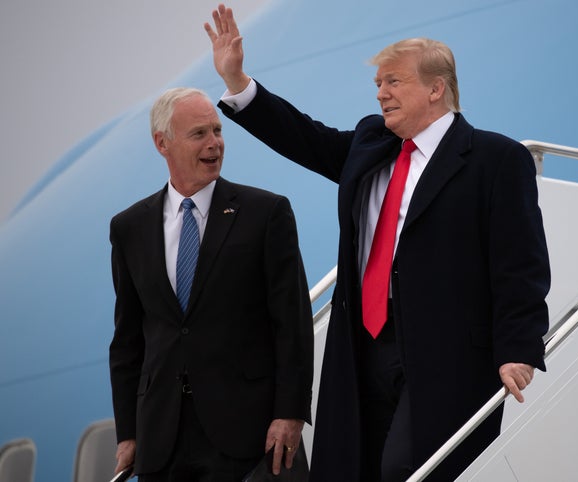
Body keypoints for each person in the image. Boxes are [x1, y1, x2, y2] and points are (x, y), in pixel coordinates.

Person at [205, 5, 551, 481]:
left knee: (407, 468)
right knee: (357, 469)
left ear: (436, 88)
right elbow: (305, 138)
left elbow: (520, 262)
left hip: (446, 352)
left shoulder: (494, 158)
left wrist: (519, 346)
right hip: (363, 346)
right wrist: (240, 81)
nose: (381, 93)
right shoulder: (372, 145)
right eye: (378, 84)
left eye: (393, 82)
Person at [108, 86, 314, 481]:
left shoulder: (265, 213)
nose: (214, 143)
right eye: (199, 133)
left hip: (250, 435)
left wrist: (290, 413)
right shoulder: (129, 227)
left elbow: (293, 323)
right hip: (163, 440)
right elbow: (128, 340)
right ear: (162, 143)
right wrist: (129, 433)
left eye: (217, 131)